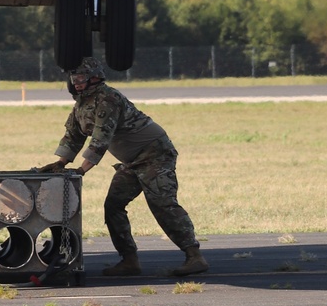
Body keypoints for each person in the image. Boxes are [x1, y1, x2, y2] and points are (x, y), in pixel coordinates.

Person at [36, 57, 208, 278]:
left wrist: (82, 169)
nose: (76, 83)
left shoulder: (108, 99)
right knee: (113, 206)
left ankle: (195, 256)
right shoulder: (82, 104)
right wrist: (60, 162)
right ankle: (129, 260)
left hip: (154, 155)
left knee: (162, 203)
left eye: (80, 78)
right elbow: (73, 136)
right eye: (73, 78)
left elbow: (101, 139)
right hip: (132, 162)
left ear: (95, 78)